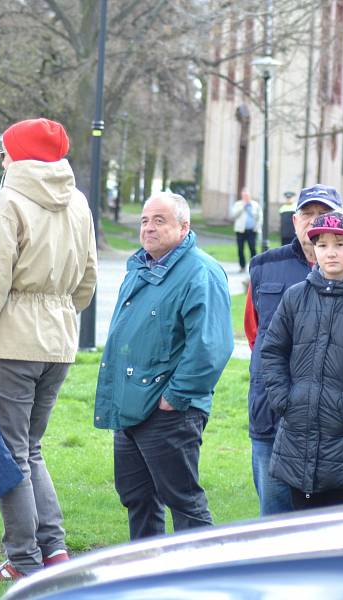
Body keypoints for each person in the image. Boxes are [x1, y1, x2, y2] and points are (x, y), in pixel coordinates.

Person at [0, 118, 97, 581]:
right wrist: (57, 315)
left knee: (12, 454)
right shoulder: (77, 203)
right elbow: (87, 280)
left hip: (13, 343)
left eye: (3, 151)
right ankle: (53, 553)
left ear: (20, 154)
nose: (2, 159)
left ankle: (25, 563)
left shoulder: (5, 205)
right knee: (29, 449)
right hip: (58, 343)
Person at [94, 191, 234, 541]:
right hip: (131, 408)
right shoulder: (142, 267)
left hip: (169, 412)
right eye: (144, 220)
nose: (149, 228)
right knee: (137, 498)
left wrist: (176, 397)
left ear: (184, 227)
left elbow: (210, 346)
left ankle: (203, 581)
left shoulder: (201, 272)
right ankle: (148, 577)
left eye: (160, 220)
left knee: (183, 501)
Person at [244, 183, 343, 515]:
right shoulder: (271, 272)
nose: (314, 222)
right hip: (276, 421)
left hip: (339, 431)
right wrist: (285, 398)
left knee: (327, 531)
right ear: (295, 221)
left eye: (323, 215)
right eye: (307, 215)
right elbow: (259, 339)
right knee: (276, 525)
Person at [231, 188, 262, 272]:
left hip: (252, 230)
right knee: (240, 249)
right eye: (244, 196)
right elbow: (234, 215)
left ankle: (254, 267)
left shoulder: (255, 205)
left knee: (252, 248)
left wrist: (257, 227)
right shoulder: (238, 204)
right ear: (242, 196)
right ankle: (242, 266)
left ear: (250, 196)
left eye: (247, 195)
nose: (246, 197)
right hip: (240, 231)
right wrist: (243, 207)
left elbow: (260, 217)